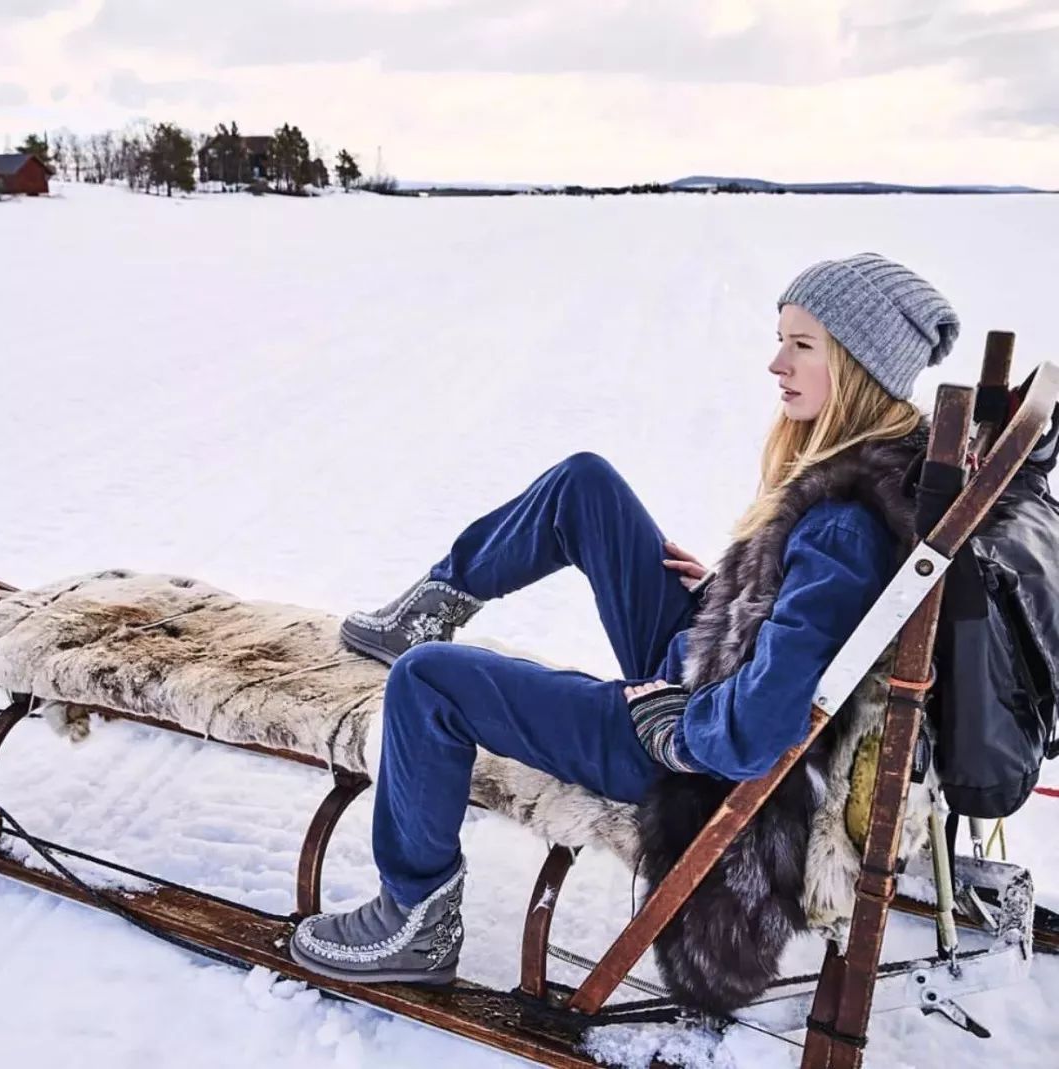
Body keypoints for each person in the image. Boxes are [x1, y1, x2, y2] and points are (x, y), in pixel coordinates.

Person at [289, 252, 960, 993]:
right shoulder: (867, 468)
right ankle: (438, 599)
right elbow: (800, 637)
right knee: (587, 485)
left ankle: (414, 918)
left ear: (860, 364)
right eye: (781, 338)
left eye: (803, 345)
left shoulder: (842, 530)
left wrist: (665, 722)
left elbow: (755, 732)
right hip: (707, 669)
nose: (776, 362)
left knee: (428, 684)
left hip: (685, 755)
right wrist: (737, 592)